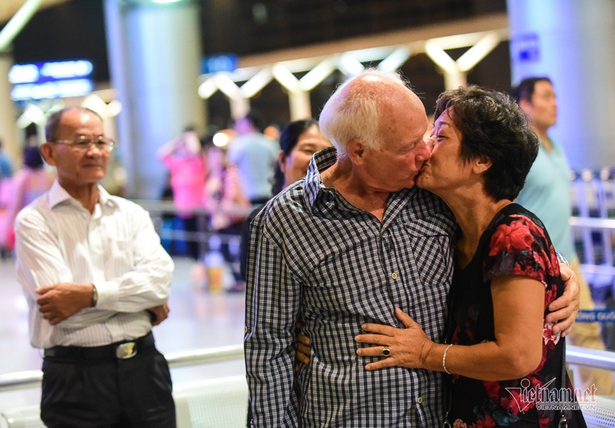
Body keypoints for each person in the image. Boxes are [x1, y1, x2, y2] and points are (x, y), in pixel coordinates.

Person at [244, 69, 579, 427]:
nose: (425, 152)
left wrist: (558, 273)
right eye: (408, 147)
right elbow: (268, 346)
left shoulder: (431, 195)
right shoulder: (285, 221)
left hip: (446, 416)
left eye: (429, 135)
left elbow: (502, 228)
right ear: (359, 151)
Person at [354, 86, 586, 426]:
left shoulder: (514, 235)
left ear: (482, 160)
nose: (426, 148)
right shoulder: (451, 224)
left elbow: (518, 356)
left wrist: (425, 353)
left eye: (440, 137)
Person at [14, 106, 176, 427]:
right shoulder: (34, 221)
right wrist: (139, 302)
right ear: (49, 152)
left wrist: (88, 295)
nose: (94, 151)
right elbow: (60, 311)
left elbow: (159, 284)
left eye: (101, 141)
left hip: (145, 371)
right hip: (75, 379)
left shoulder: (131, 214)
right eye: (81, 142)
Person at [514, 76, 614, 396]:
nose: (555, 103)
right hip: (536, 265)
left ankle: (604, 406)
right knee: (549, 345)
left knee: (588, 331)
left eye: (555, 96)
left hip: (568, 259)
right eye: (546, 96)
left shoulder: (555, 147)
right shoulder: (520, 150)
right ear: (525, 105)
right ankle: (562, 409)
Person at [239, 118, 332, 280]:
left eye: (326, 153)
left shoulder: (335, 216)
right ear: (283, 159)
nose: (318, 160)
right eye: (308, 150)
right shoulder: (262, 221)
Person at [156, 126, 207, 258]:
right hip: (182, 211)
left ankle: (202, 265)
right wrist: (179, 139)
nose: (185, 148)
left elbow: (195, 151)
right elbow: (161, 154)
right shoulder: (178, 164)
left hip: (198, 211)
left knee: (201, 245)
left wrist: (189, 136)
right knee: (189, 245)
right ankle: (197, 265)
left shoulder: (197, 163)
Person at [0, 146, 54, 258]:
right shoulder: (49, 177)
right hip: (47, 224)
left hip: (26, 224)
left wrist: (6, 232)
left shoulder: (22, 178)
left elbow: (14, 205)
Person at [227, 112, 280, 205]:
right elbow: (278, 165)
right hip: (269, 191)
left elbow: (231, 168)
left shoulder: (238, 144)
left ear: (249, 124)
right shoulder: (270, 143)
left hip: (246, 194)